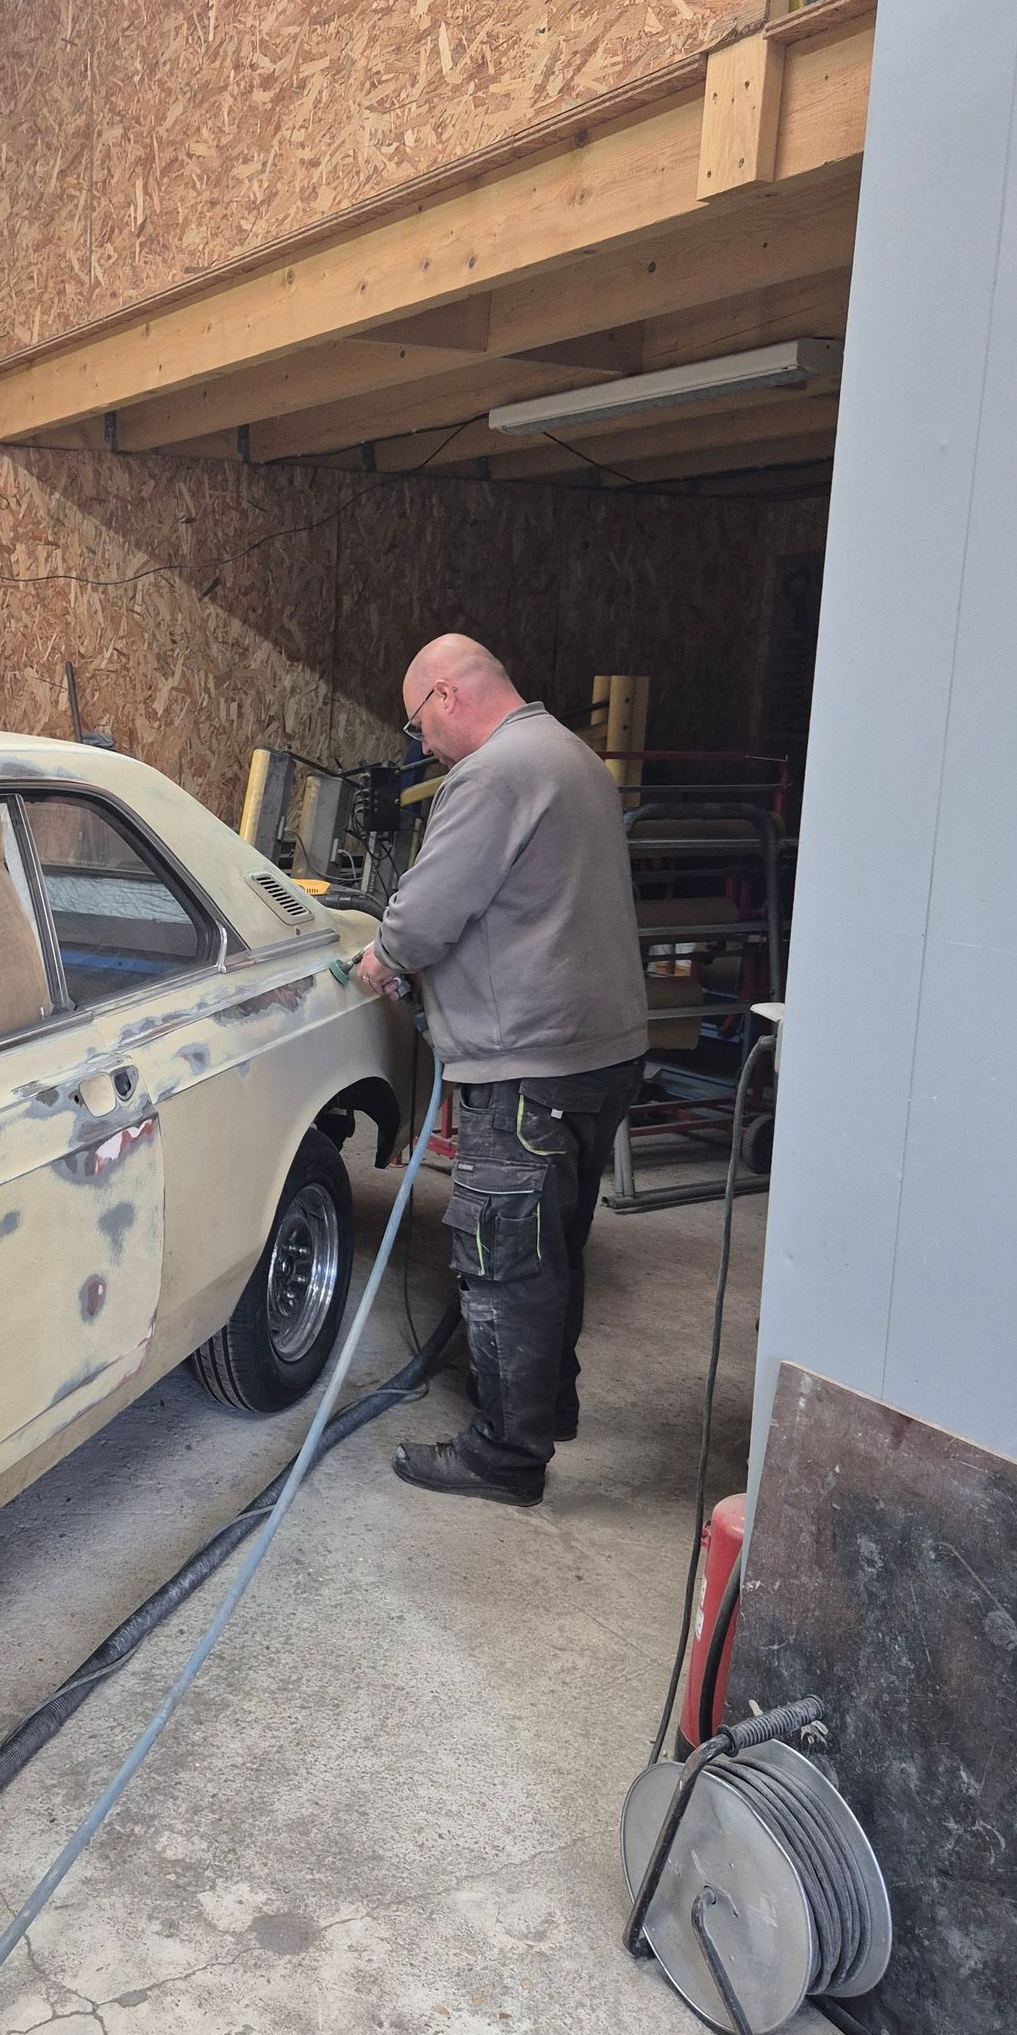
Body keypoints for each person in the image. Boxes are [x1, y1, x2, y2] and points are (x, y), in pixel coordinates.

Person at [354, 634, 647, 1507]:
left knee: (505, 1260)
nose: (422, 746)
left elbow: (427, 914)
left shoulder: (489, 775)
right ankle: (545, 1406)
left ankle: (505, 1457)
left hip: (530, 1066)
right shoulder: (572, 756)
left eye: (417, 725)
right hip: (600, 1057)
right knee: (551, 1246)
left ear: (447, 696)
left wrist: (381, 958)